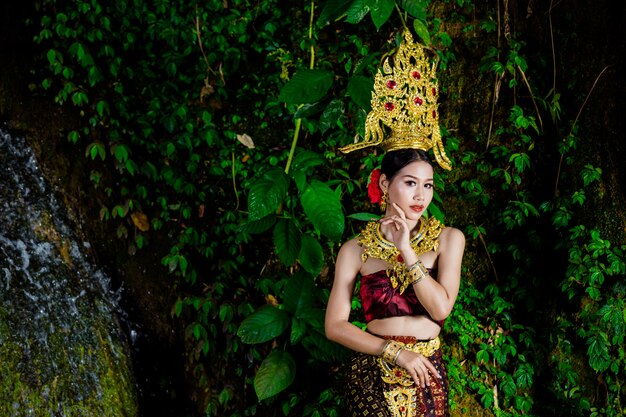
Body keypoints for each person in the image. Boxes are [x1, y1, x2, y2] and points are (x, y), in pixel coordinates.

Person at [325, 30, 465, 416]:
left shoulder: (450, 239)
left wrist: (406, 250)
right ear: (385, 184)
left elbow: (440, 309)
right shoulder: (355, 249)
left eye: (428, 185)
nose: (421, 196)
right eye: (410, 183)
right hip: (374, 370)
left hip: (427, 372)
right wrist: (394, 352)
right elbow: (335, 325)